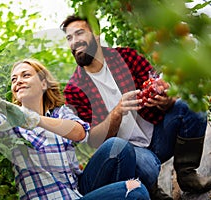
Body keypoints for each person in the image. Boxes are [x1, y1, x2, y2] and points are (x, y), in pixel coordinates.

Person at [60, 14, 211, 199]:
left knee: (192, 105)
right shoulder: (74, 90)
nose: (74, 42)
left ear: (96, 34)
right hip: (130, 155)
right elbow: (93, 140)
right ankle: (151, 190)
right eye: (69, 37)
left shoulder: (126, 57)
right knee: (148, 167)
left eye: (79, 33)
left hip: (159, 134)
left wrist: (165, 101)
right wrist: (117, 113)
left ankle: (187, 175)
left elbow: (159, 88)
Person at [0, 59, 150, 199]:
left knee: (119, 148)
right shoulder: (6, 118)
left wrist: (33, 119)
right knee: (135, 192)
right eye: (14, 79)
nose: (18, 81)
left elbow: (80, 132)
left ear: (43, 84)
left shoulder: (60, 113)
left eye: (25, 75)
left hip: (76, 193)